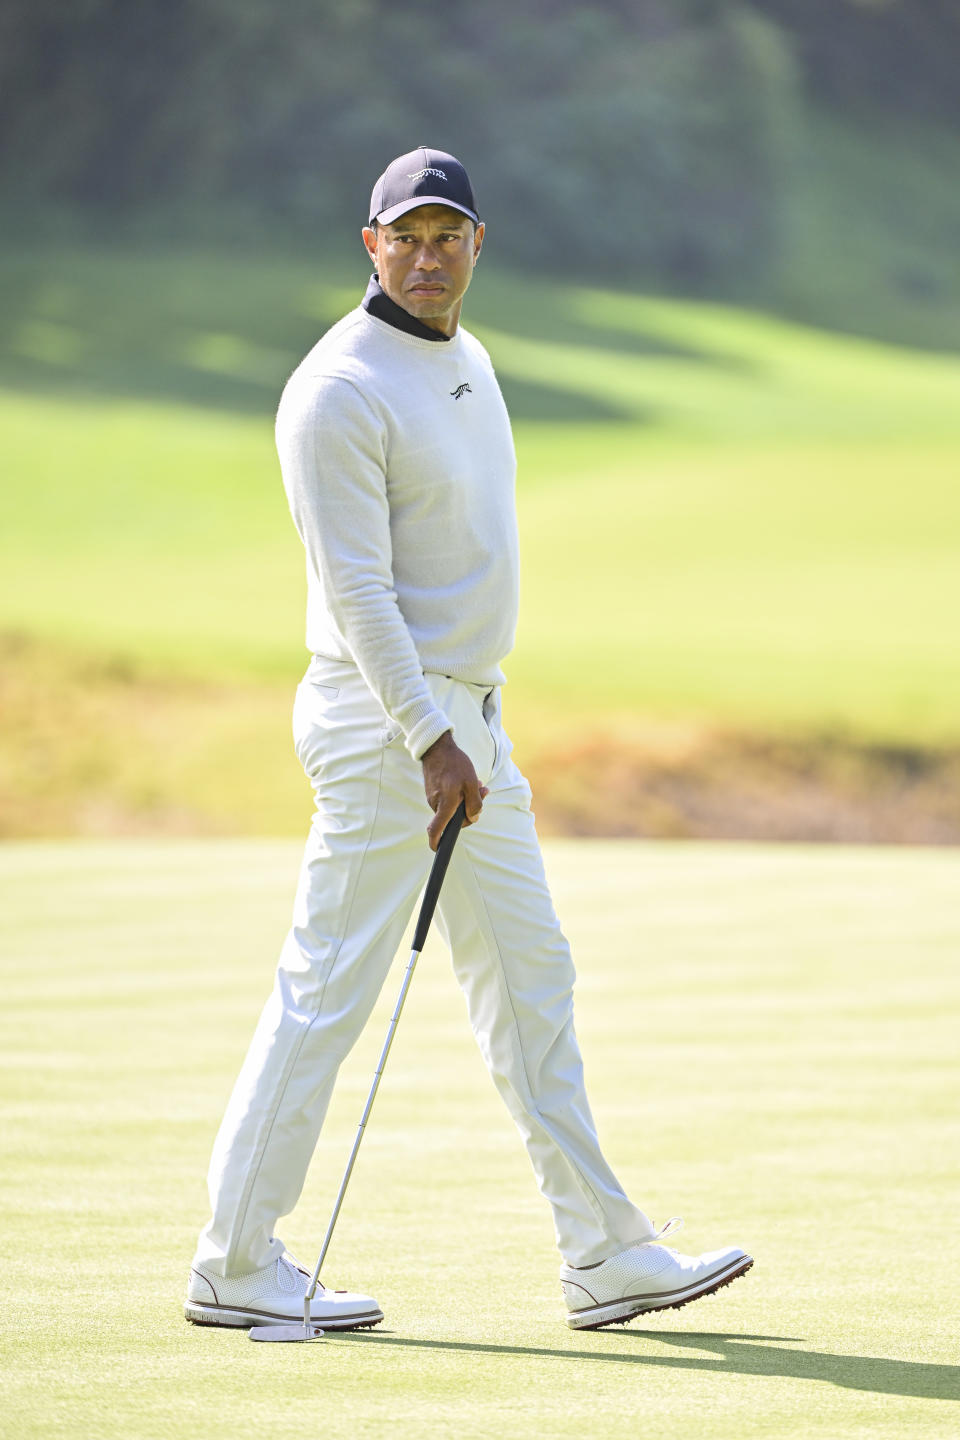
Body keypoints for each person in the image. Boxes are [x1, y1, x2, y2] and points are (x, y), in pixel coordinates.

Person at [185, 146, 753, 1334]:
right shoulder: (337, 388)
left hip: (470, 724)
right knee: (325, 992)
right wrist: (433, 738)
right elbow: (359, 594)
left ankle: (603, 1250)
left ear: (479, 246)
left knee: (531, 979)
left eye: (452, 236)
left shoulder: (469, 358)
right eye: (410, 235)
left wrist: (468, 732)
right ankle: (235, 1260)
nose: (431, 256)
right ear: (371, 245)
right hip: (393, 726)